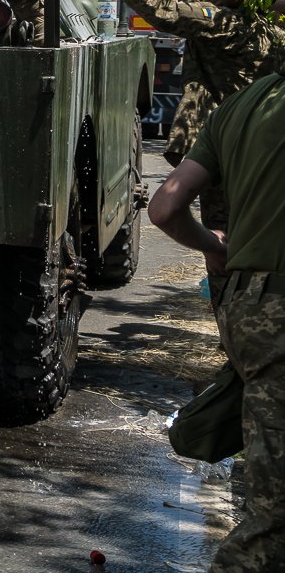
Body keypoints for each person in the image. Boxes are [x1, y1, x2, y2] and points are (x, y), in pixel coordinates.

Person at [149, 72, 285, 570]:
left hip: (248, 311)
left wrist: (215, 247)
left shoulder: (241, 104)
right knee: (274, 528)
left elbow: (164, 207)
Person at [66, 0, 285, 228]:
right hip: (257, 147)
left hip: (226, 149)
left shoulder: (226, 25)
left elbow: (165, 11)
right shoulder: (272, 32)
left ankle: (223, 269)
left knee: (224, 233)